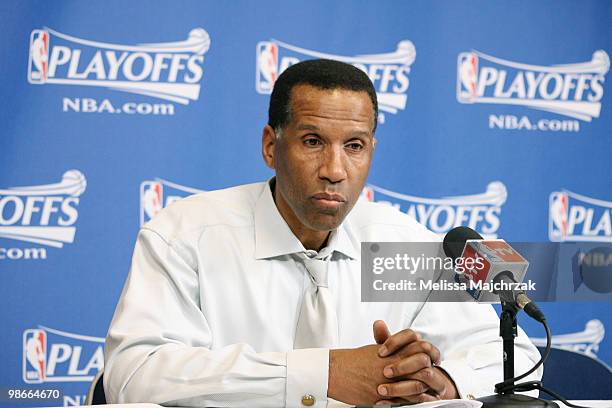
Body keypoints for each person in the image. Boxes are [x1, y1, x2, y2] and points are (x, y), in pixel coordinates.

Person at [104, 59, 541, 407]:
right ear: (271, 146)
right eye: (313, 141)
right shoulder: (185, 237)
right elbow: (135, 376)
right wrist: (325, 375)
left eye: (354, 147)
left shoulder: (401, 244)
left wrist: (440, 381)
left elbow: (516, 357)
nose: (335, 171)